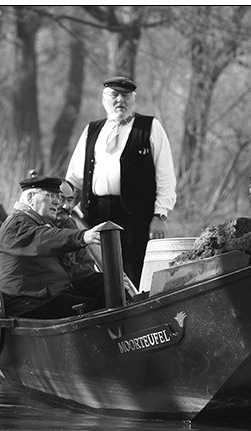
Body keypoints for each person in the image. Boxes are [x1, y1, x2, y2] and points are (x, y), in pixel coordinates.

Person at [65, 76, 177, 288]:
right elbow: (75, 178)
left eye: (125, 96)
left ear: (133, 100)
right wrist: (65, 203)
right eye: (114, 95)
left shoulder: (150, 127)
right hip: (95, 214)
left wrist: (160, 215)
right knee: (99, 272)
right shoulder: (92, 130)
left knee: (134, 270)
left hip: (136, 217)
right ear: (104, 99)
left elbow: (166, 177)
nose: (120, 100)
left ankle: (135, 306)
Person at [0, 175, 105, 318]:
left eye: (57, 197)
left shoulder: (39, 223)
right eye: (50, 196)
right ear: (30, 198)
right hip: (25, 302)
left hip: (43, 294)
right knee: (94, 309)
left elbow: (70, 265)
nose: (57, 202)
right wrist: (83, 236)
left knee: (103, 285)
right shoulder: (17, 223)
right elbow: (43, 239)